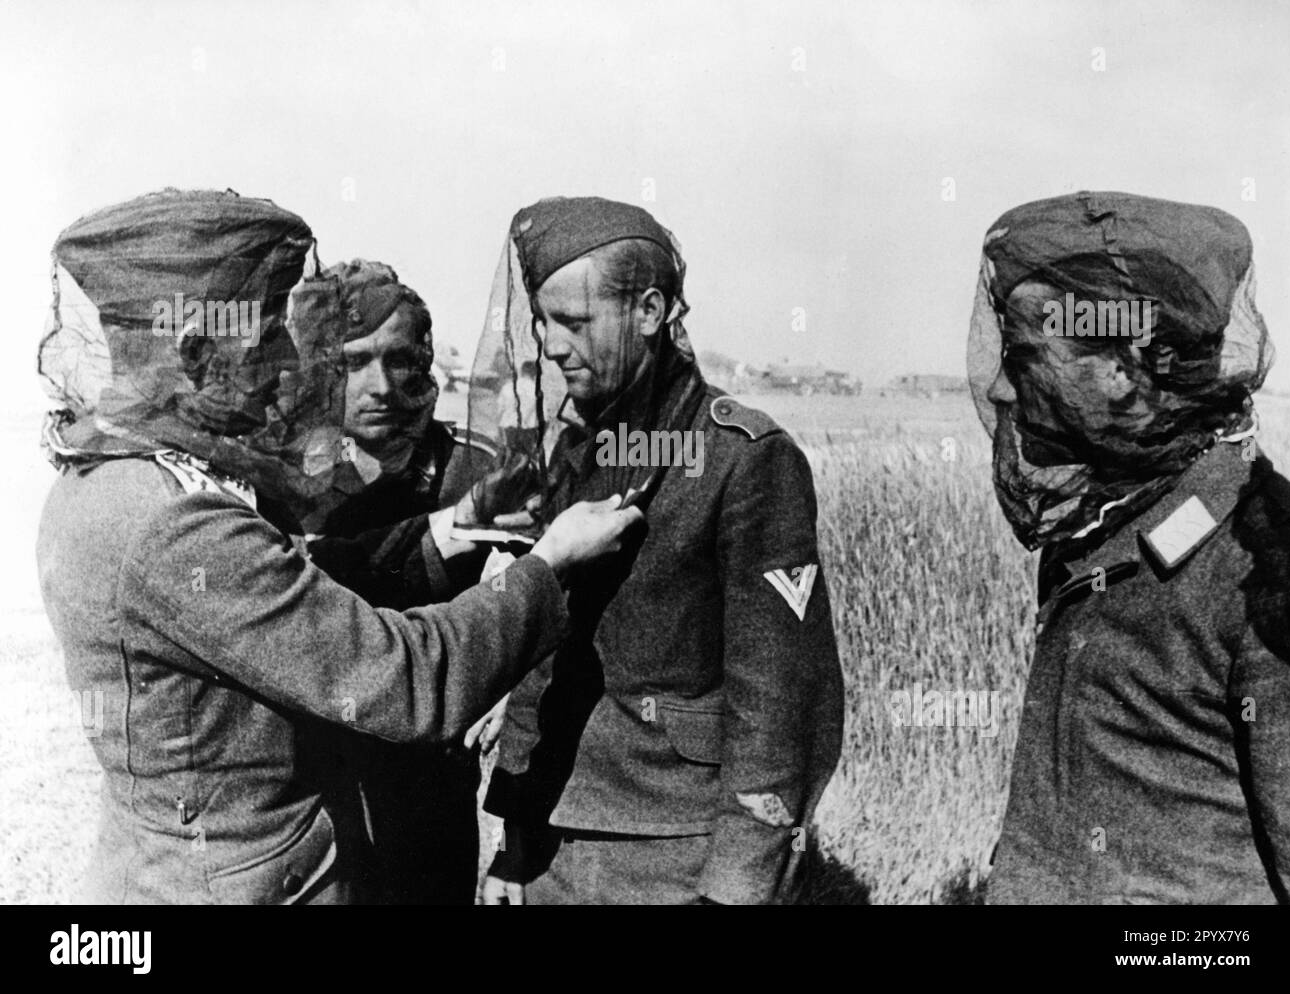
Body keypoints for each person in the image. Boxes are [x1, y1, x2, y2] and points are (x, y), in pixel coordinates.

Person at [35, 189, 641, 904]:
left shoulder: (106, 479)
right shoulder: (178, 521)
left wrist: (454, 524)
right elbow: (405, 676)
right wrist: (549, 565)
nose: (293, 359)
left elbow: (300, 581)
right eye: (268, 336)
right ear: (197, 353)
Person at [472, 196, 844, 905]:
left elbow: (778, 700)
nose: (551, 345)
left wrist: (737, 887)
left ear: (649, 311)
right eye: (543, 322)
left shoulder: (745, 459)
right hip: (555, 836)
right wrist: (515, 840)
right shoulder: (577, 450)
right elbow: (543, 662)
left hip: (679, 853)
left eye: (574, 323)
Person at [970, 190, 1290, 903]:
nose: (1004, 384)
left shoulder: (1270, 566)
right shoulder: (1098, 521)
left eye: (1027, 355)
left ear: (1123, 367)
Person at [294, 259, 495, 905]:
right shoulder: (281, 486)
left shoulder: (477, 474)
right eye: (353, 363)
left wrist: (509, 694)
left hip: (430, 777)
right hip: (315, 784)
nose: (380, 386)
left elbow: (548, 595)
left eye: (400, 359)